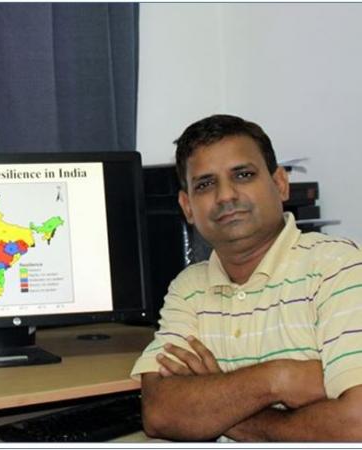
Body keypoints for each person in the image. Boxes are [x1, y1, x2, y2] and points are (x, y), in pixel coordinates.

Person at [130, 114, 362, 441]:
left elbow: (356, 425)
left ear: (280, 183)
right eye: (206, 184)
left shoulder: (338, 267)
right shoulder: (189, 288)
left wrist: (226, 408)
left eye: (243, 174)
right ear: (188, 207)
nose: (226, 196)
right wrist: (276, 379)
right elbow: (160, 412)